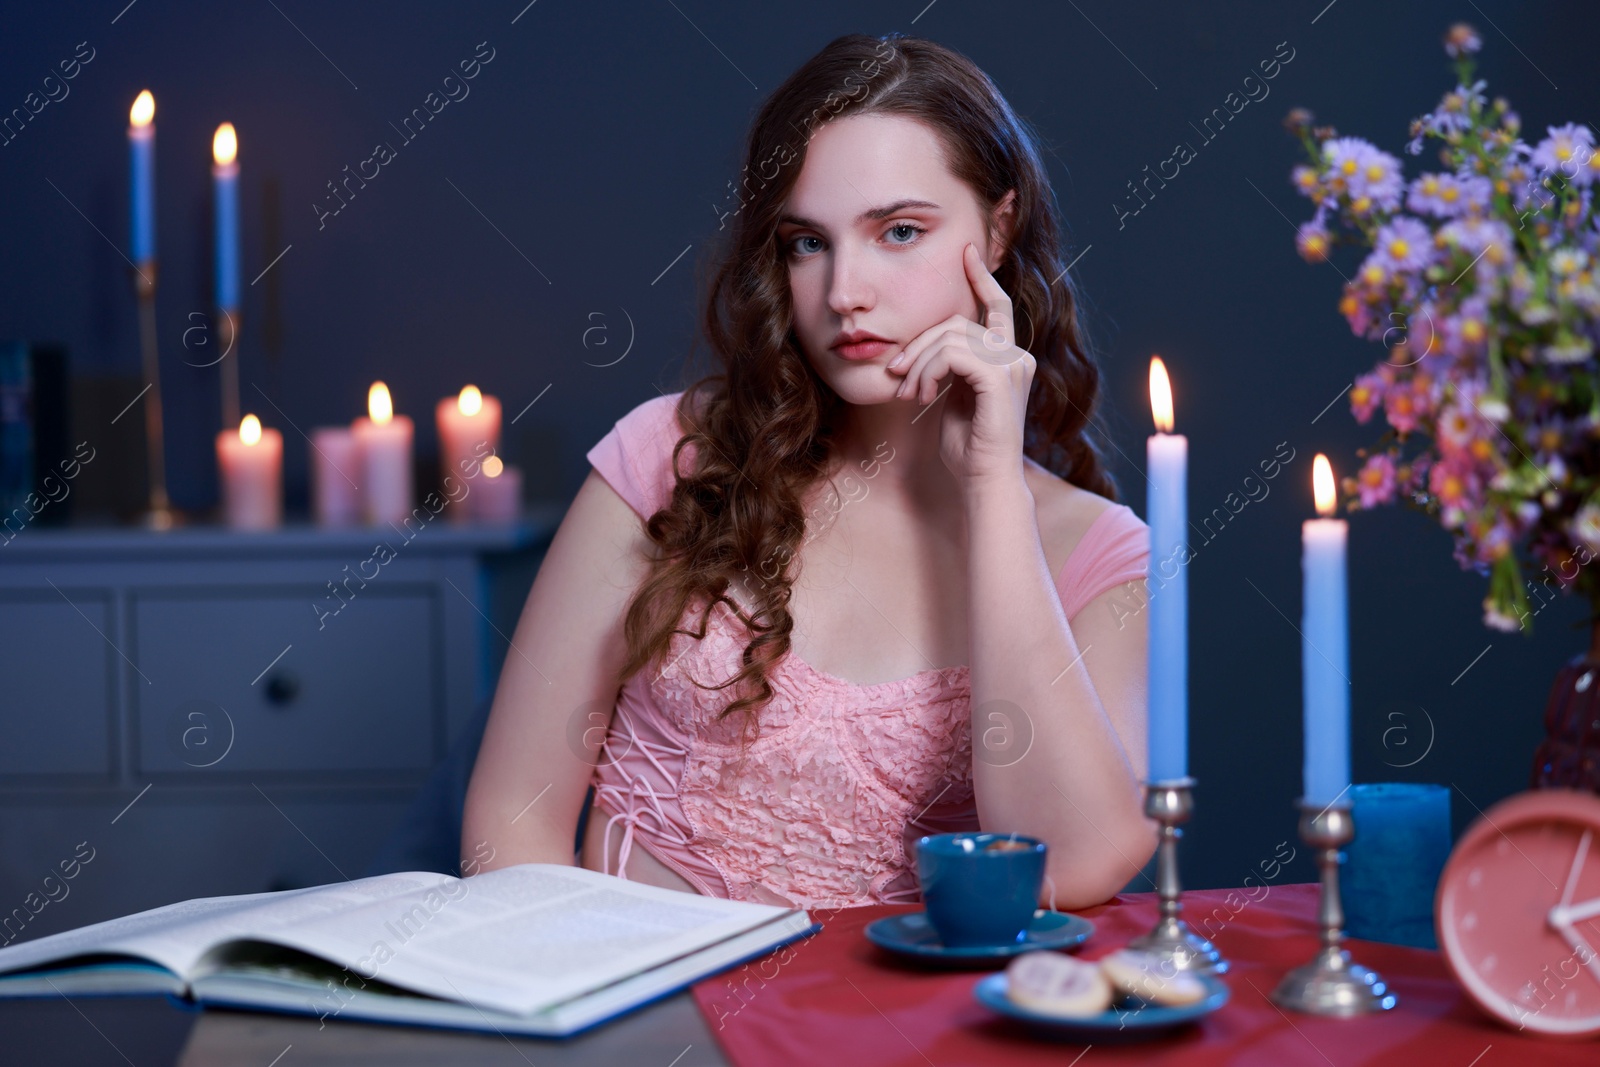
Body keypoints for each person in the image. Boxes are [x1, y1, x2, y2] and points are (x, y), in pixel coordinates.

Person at [462, 32, 1157, 911]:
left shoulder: (1096, 553)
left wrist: (993, 493)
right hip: (635, 1025)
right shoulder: (665, 461)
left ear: (999, 225)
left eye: (899, 231)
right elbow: (507, 822)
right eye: (806, 243)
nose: (844, 292)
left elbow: (1073, 867)